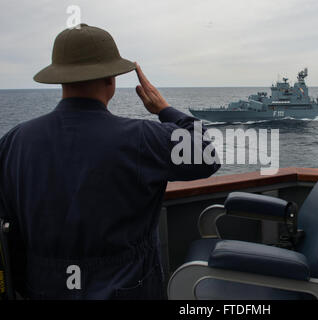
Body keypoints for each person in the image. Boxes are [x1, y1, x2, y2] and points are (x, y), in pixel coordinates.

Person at [0, 24, 220, 299]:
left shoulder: (14, 142)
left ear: (60, 79)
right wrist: (165, 110)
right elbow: (207, 156)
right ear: (111, 79)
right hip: (128, 290)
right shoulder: (142, 138)